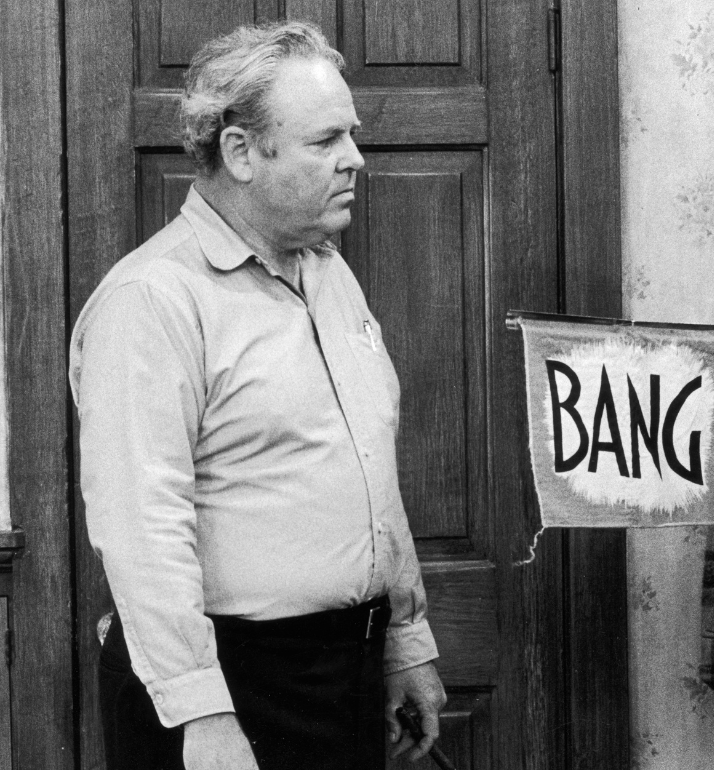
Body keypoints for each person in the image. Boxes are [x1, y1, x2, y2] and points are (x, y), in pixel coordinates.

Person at [69, 20, 446, 770]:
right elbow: (141, 530)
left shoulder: (329, 273)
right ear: (240, 152)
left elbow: (369, 470)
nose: (355, 159)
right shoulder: (151, 300)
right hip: (227, 686)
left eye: (352, 135)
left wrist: (403, 641)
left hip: (344, 673)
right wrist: (202, 714)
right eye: (325, 140)